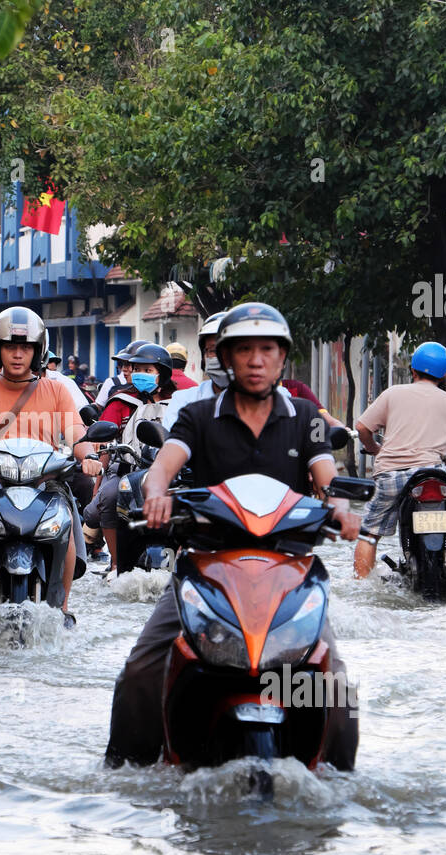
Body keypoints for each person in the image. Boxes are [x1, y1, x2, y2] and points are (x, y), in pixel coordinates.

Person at [103, 302, 362, 768]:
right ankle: (125, 773)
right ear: (224, 356)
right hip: (206, 566)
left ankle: (336, 779)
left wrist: (340, 508)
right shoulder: (197, 416)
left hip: (290, 570)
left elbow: (327, 475)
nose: (256, 360)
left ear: (283, 358)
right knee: (141, 669)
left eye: (268, 349)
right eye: (244, 350)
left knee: (335, 682)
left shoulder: (308, 417)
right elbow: (162, 469)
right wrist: (156, 494)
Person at [0, 307, 102, 625]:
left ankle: (63, 605)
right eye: (10, 347)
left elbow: (76, 434)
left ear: (38, 350)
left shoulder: (56, 389)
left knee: (66, 525)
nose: (18, 355)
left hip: (44, 482)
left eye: (26, 347)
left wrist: (89, 457)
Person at [352, 341, 446, 577]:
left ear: (412, 370)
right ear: (444, 375)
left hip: (391, 474)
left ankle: (360, 587)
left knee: (369, 534)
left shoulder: (392, 394)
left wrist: (375, 448)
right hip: (433, 473)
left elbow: (362, 428)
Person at [84, 343, 176, 575]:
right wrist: (98, 477)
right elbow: (104, 442)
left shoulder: (178, 402)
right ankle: (116, 563)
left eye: (148, 371)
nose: (141, 375)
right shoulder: (122, 400)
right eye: (138, 369)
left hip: (171, 472)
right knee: (110, 496)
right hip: (128, 468)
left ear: (161, 374)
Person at [95, 340, 149, 405]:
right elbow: (99, 407)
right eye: (122, 364)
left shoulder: (157, 394)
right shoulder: (117, 394)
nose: (124, 369)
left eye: (129, 364)